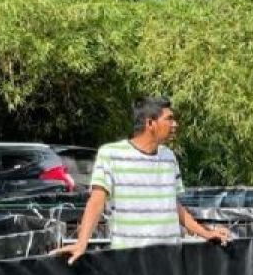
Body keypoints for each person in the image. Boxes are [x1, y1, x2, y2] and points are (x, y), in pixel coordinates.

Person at [55, 96, 229, 264]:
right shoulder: (111, 154)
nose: (175, 124)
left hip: (169, 259)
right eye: (169, 119)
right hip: (130, 259)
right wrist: (81, 242)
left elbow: (173, 206)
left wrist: (205, 233)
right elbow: (96, 201)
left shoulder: (169, 157)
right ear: (150, 123)